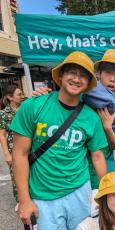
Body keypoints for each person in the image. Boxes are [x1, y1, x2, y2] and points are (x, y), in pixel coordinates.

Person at [10, 51, 108, 229]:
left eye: (83, 76)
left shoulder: (91, 117)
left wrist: (107, 192)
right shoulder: (33, 106)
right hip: (43, 196)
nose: (77, 79)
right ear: (61, 76)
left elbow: (98, 156)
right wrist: (24, 200)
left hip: (80, 191)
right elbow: (19, 154)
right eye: (72, 72)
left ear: (87, 84)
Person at [33, 49, 115, 189]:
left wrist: (108, 128)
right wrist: (43, 96)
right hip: (68, 167)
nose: (112, 79)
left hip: (99, 168)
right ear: (99, 73)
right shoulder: (79, 94)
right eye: (108, 72)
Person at [0, 85, 24, 201]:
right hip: (13, 147)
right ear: (10, 97)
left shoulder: (26, 109)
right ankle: (20, 199)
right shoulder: (4, 114)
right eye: (19, 94)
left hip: (29, 146)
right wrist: (6, 154)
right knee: (16, 173)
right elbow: (2, 135)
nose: (22, 96)